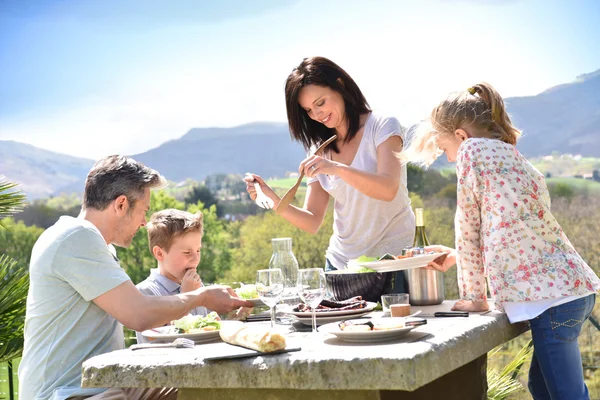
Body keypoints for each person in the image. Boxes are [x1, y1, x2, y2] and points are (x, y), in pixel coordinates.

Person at [403, 82, 600, 399]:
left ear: (461, 137)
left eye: (444, 149)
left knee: (566, 395)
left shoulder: (471, 152)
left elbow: (468, 225)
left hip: (551, 302)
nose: (450, 159)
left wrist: (474, 295)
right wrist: (459, 256)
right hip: (571, 290)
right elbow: (521, 228)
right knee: (543, 386)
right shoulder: (513, 156)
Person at [19, 155, 253, 400]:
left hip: (105, 381)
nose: (144, 223)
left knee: (213, 389)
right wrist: (202, 296)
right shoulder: (76, 238)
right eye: (143, 211)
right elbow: (139, 314)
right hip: (70, 392)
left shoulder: (97, 245)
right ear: (121, 204)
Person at [245, 56, 415, 278]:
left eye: (320, 103)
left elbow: (388, 188)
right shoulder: (319, 148)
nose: (317, 115)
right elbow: (312, 220)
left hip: (393, 262)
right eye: (308, 110)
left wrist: (336, 168)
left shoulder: (383, 125)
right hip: (340, 266)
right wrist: (275, 200)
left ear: (340, 85)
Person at [135, 208, 209, 344]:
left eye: (198, 250)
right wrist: (187, 297)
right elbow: (163, 344)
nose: (195, 258)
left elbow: (211, 330)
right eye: (187, 252)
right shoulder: (145, 294)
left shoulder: (197, 286)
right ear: (160, 253)